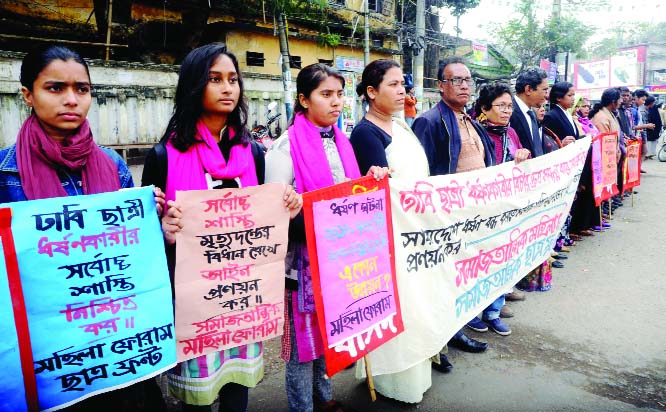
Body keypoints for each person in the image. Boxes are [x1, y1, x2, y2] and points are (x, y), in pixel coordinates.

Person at [0, 45, 166, 411]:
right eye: (55, 88)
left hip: (116, 342)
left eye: (83, 89)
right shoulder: (4, 174)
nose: (72, 100)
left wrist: (156, 225)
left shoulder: (113, 164)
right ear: (28, 94)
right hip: (47, 351)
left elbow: (131, 257)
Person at [142, 43, 302, 412]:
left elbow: (262, 220)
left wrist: (288, 204)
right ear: (194, 86)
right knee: (197, 395)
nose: (228, 88)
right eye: (215, 79)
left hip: (244, 296)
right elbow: (147, 237)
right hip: (194, 303)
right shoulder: (163, 156)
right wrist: (163, 226)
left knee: (237, 387)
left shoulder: (253, 152)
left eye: (233, 79)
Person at [265, 63, 388, 412]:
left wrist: (370, 179)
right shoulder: (285, 147)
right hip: (302, 259)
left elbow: (349, 192)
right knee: (303, 340)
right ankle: (303, 405)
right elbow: (277, 210)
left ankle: (325, 395)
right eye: (326, 95)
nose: (336, 103)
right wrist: (306, 214)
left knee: (330, 329)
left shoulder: (341, 141)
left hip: (339, 256)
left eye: (339, 94)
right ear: (303, 100)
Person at [349, 59, 432, 403]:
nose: (403, 91)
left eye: (403, 84)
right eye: (394, 84)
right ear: (371, 92)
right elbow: (374, 192)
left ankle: (417, 368)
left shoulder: (402, 127)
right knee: (397, 307)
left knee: (417, 306)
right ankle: (391, 381)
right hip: (388, 239)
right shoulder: (365, 133)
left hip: (415, 233)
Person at [412, 56, 500, 346]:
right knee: (447, 277)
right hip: (448, 217)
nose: (464, 86)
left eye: (468, 80)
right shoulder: (429, 121)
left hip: (475, 214)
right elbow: (423, 176)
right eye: (456, 80)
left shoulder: (470, 119)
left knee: (466, 273)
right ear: (441, 86)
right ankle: (448, 335)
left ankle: (459, 325)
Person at [472, 81, 531, 312]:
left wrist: (523, 155)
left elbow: (521, 155)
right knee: (485, 256)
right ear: (485, 108)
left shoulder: (512, 132)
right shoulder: (478, 132)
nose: (507, 111)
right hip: (485, 206)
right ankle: (486, 304)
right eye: (501, 106)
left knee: (505, 252)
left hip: (508, 203)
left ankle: (500, 296)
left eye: (509, 106)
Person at [509, 67, 549, 158]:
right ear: (528, 89)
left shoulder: (531, 113)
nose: (546, 95)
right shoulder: (509, 113)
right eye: (544, 90)